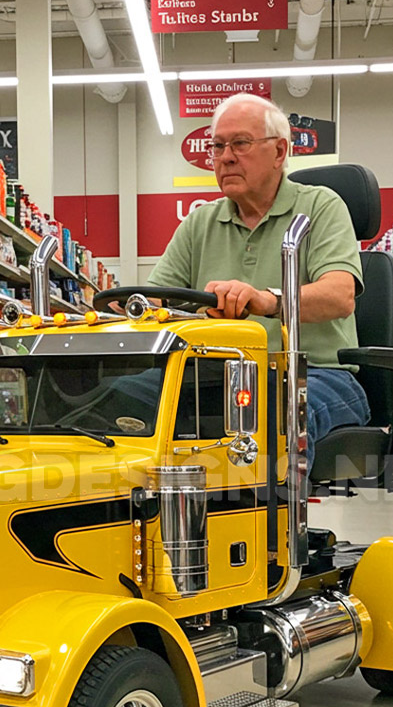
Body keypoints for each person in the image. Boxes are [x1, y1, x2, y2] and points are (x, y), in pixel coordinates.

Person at [148, 93, 370, 452]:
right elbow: (154, 295)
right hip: (213, 374)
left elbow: (339, 296)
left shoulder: (321, 207)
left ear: (280, 152)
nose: (225, 157)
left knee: (267, 417)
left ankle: (269, 510)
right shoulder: (200, 222)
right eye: (217, 146)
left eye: (240, 143)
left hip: (314, 375)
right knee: (117, 399)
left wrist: (267, 301)